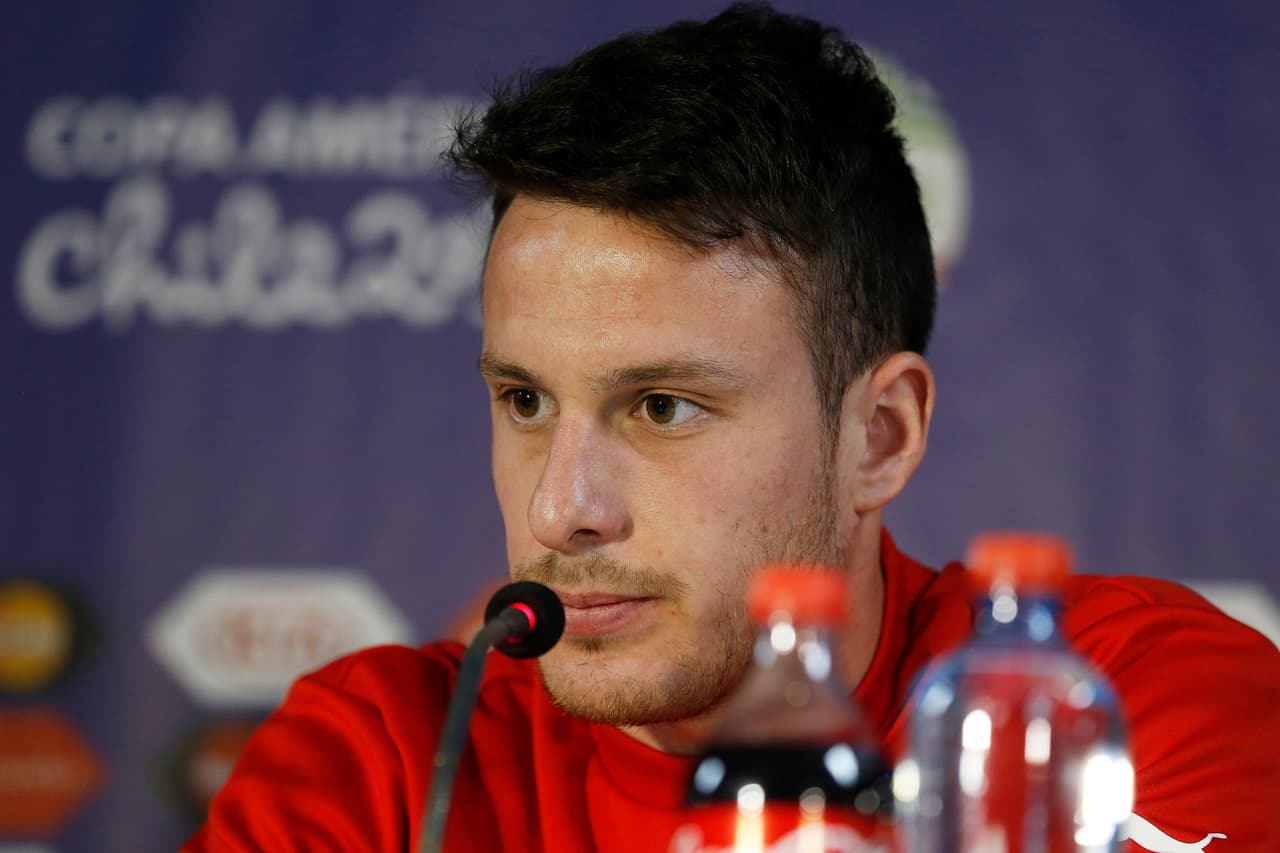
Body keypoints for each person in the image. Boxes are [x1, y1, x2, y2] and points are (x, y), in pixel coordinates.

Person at [186, 4, 1280, 851]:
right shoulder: (380, 755)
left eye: (662, 407)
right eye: (524, 401)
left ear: (881, 437)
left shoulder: (1103, 711)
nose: (560, 508)